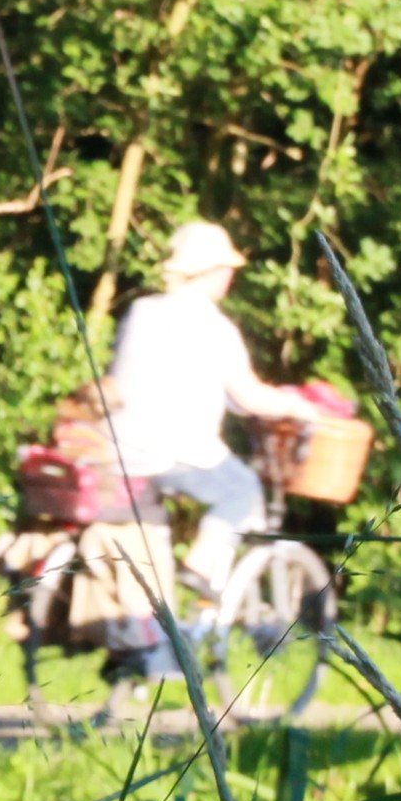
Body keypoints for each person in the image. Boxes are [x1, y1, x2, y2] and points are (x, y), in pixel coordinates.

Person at [103, 221, 326, 600]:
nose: (230, 277)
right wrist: (296, 406)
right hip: (168, 453)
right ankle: (199, 567)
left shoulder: (141, 310)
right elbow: (250, 398)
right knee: (242, 487)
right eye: (226, 269)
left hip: (112, 449)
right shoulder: (213, 325)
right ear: (210, 272)